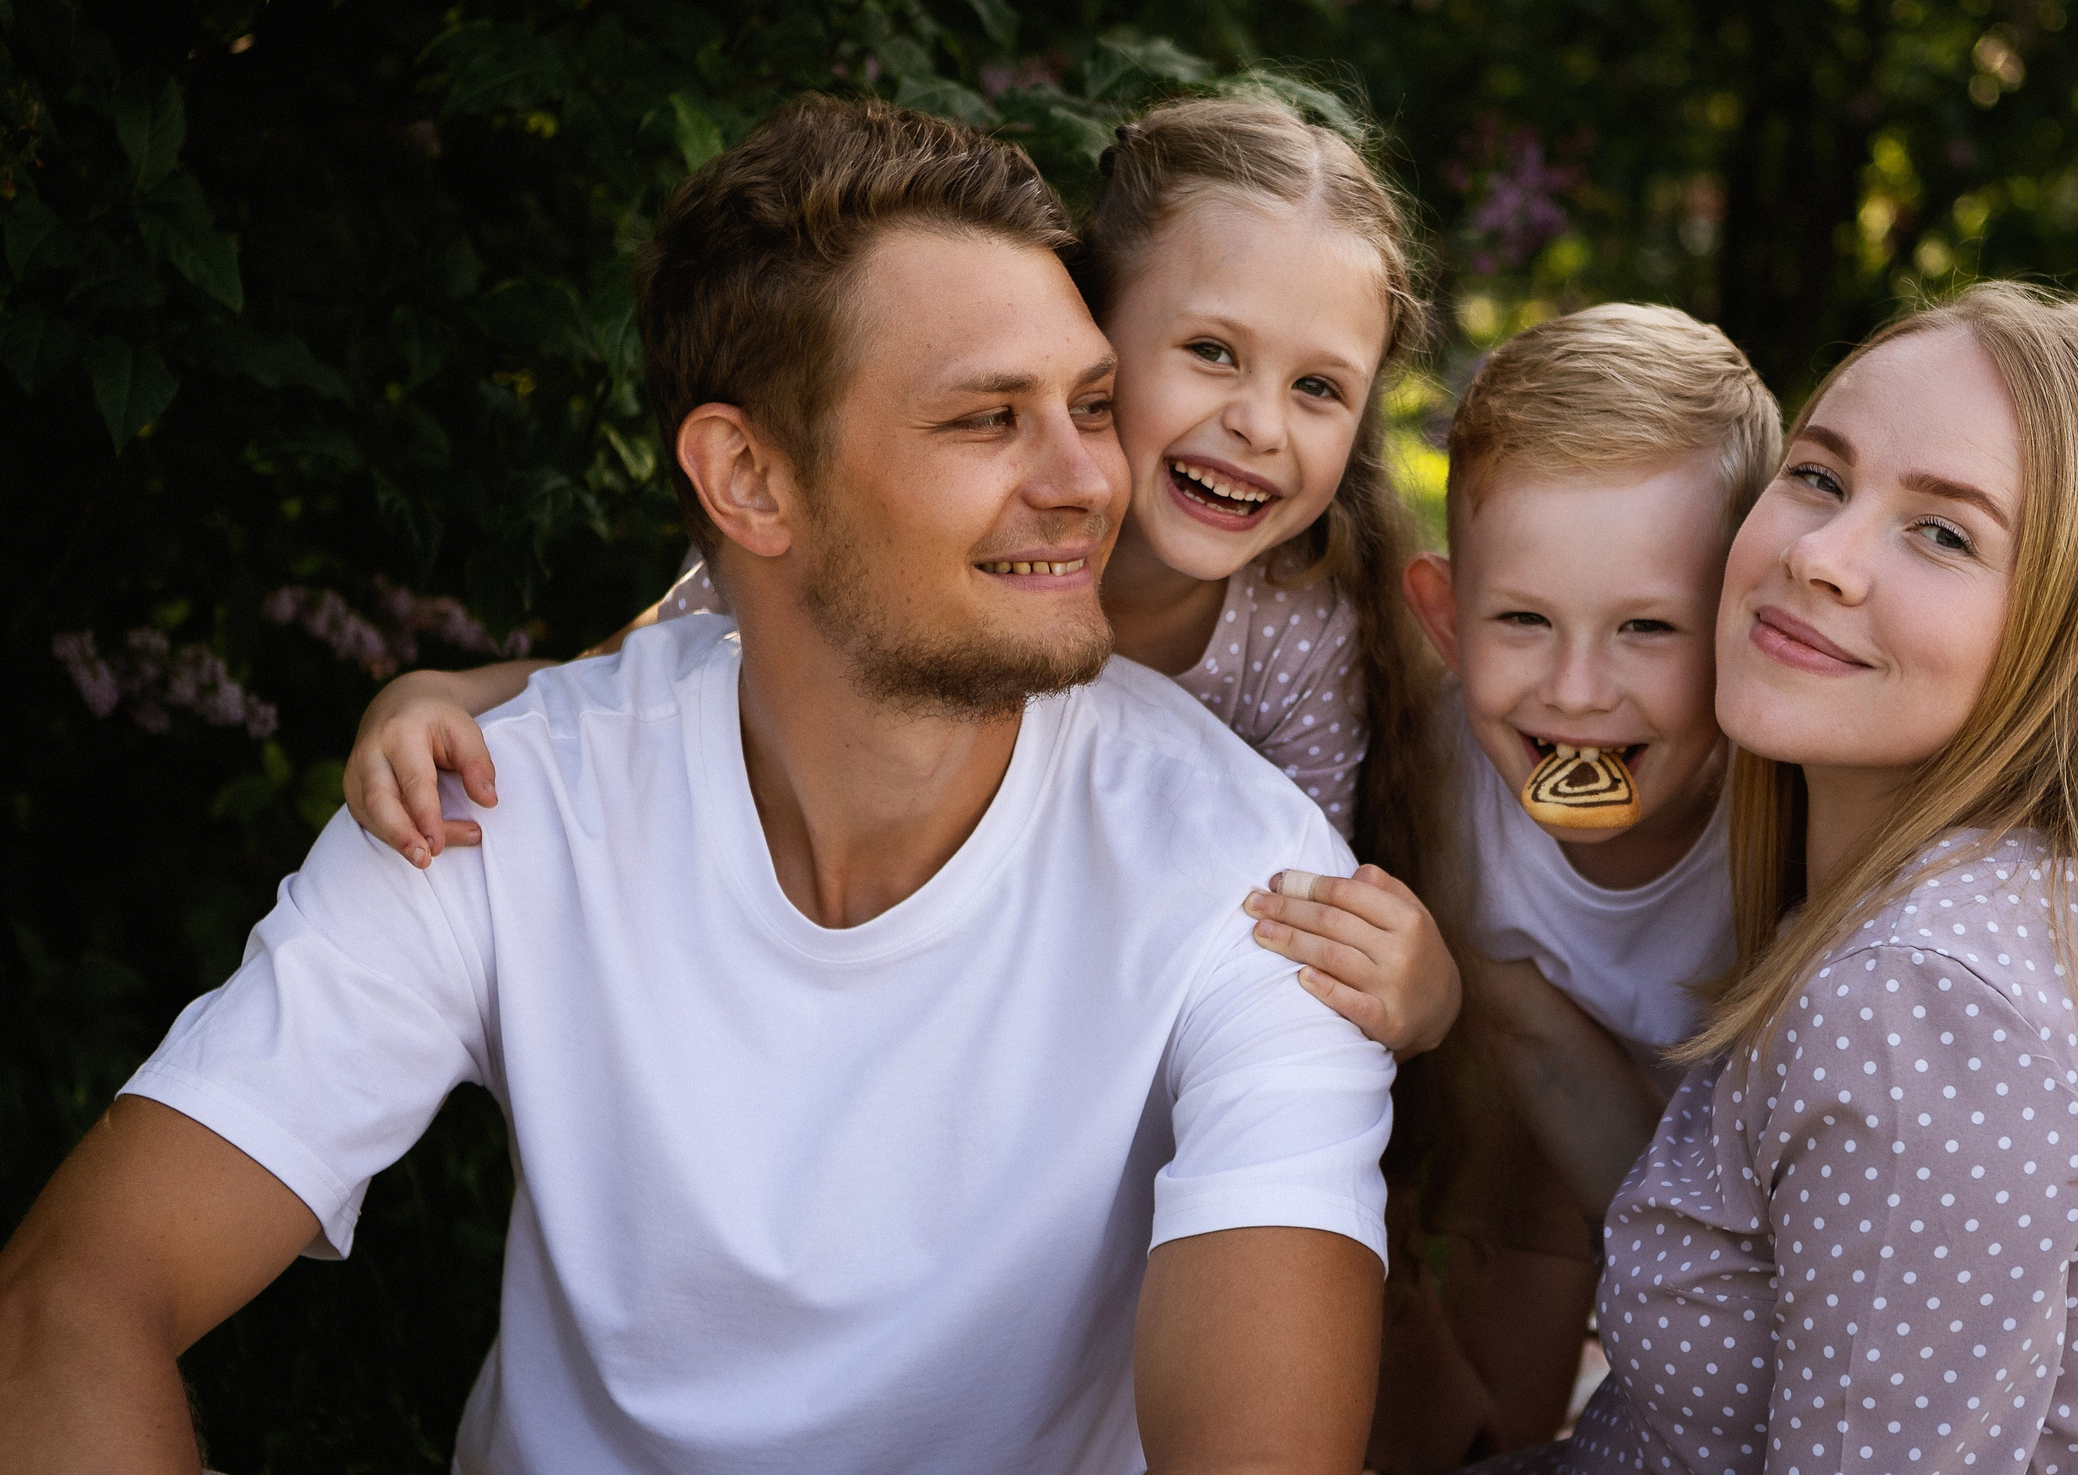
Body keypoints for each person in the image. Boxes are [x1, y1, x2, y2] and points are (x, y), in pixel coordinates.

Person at [0, 96, 1399, 1475]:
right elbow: (72, 1296)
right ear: (747, 477)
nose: (1089, 478)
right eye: (990, 418)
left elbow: (1262, 1467)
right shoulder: (504, 795)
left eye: (1093, 406)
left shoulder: (1259, 886)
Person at [1400, 280, 2078, 1475]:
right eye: (1819, 476)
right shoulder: (1976, 899)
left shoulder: (1925, 1009)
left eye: (1943, 533)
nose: (1820, 557)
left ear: (2069, 641)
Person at [339, 89, 1462, 1062]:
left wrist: (1418, 991)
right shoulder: (877, 534)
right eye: (1211, 351)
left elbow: (1300, 901)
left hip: (1088, 1002)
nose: (1259, 423)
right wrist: (447, 697)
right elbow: (642, 671)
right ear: (1088, 328)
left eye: (1320, 388)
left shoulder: (1296, 629)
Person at [1370, 305, 1781, 1475]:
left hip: (1782, 1200)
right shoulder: (1445, 785)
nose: (1577, 692)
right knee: (1467, 1435)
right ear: (1446, 619)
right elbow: (1536, 1070)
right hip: (1561, 1157)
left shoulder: (1791, 814)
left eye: (1647, 627)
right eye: (1522, 622)